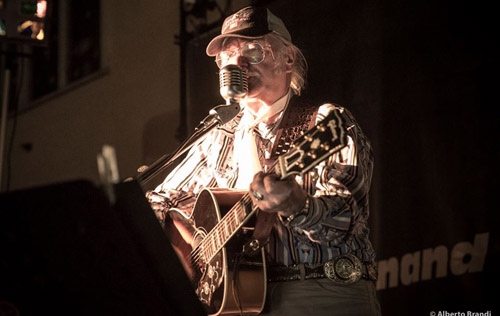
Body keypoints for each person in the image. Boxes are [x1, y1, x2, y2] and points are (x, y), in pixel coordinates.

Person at [147, 6, 381, 316]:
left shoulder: (325, 123)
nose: (237, 62)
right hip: (239, 301)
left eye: (253, 50)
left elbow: (345, 221)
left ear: (288, 59)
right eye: (227, 56)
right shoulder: (217, 136)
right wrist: (189, 255)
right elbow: (155, 203)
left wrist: (298, 205)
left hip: (321, 293)